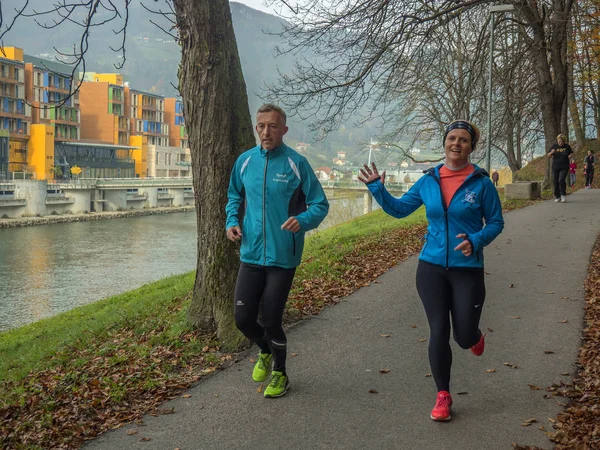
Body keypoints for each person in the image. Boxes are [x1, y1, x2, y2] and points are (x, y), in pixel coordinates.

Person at [358, 120, 504, 422]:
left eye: (463, 140)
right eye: (452, 138)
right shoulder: (428, 181)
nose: (456, 144)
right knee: (439, 330)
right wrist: (377, 188)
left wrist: (475, 240)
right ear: (445, 143)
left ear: (471, 147)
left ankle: (474, 336)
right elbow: (399, 209)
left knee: (463, 336)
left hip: (467, 269)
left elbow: (496, 222)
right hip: (431, 268)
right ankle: (443, 395)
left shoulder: (481, 183)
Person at [225, 104, 329, 398]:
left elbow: (320, 204)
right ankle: (264, 351)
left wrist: (303, 220)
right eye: (261, 126)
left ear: (283, 130)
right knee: (243, 319)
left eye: (272, 126)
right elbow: (234, 195)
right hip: (251, 253)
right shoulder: (245, 162)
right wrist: (232, 222)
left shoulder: (297, 163)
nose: (266, 132)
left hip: (283, 257)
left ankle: (281, 374)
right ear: (256, 128)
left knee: (271, 320)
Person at [547, 134, 573, 202]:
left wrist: (570, 156)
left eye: (562, 141)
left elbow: (571, 153)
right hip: (555, 167)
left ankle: (563, 195)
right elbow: (548, 155)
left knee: (561, 180)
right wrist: (551, 152)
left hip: (564, 166)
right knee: (555, 181)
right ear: (557, 141)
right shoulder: (554, 146)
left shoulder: (567, 146)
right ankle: (557, 196)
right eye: (559, 141)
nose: (560, 142)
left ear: (564, 141)